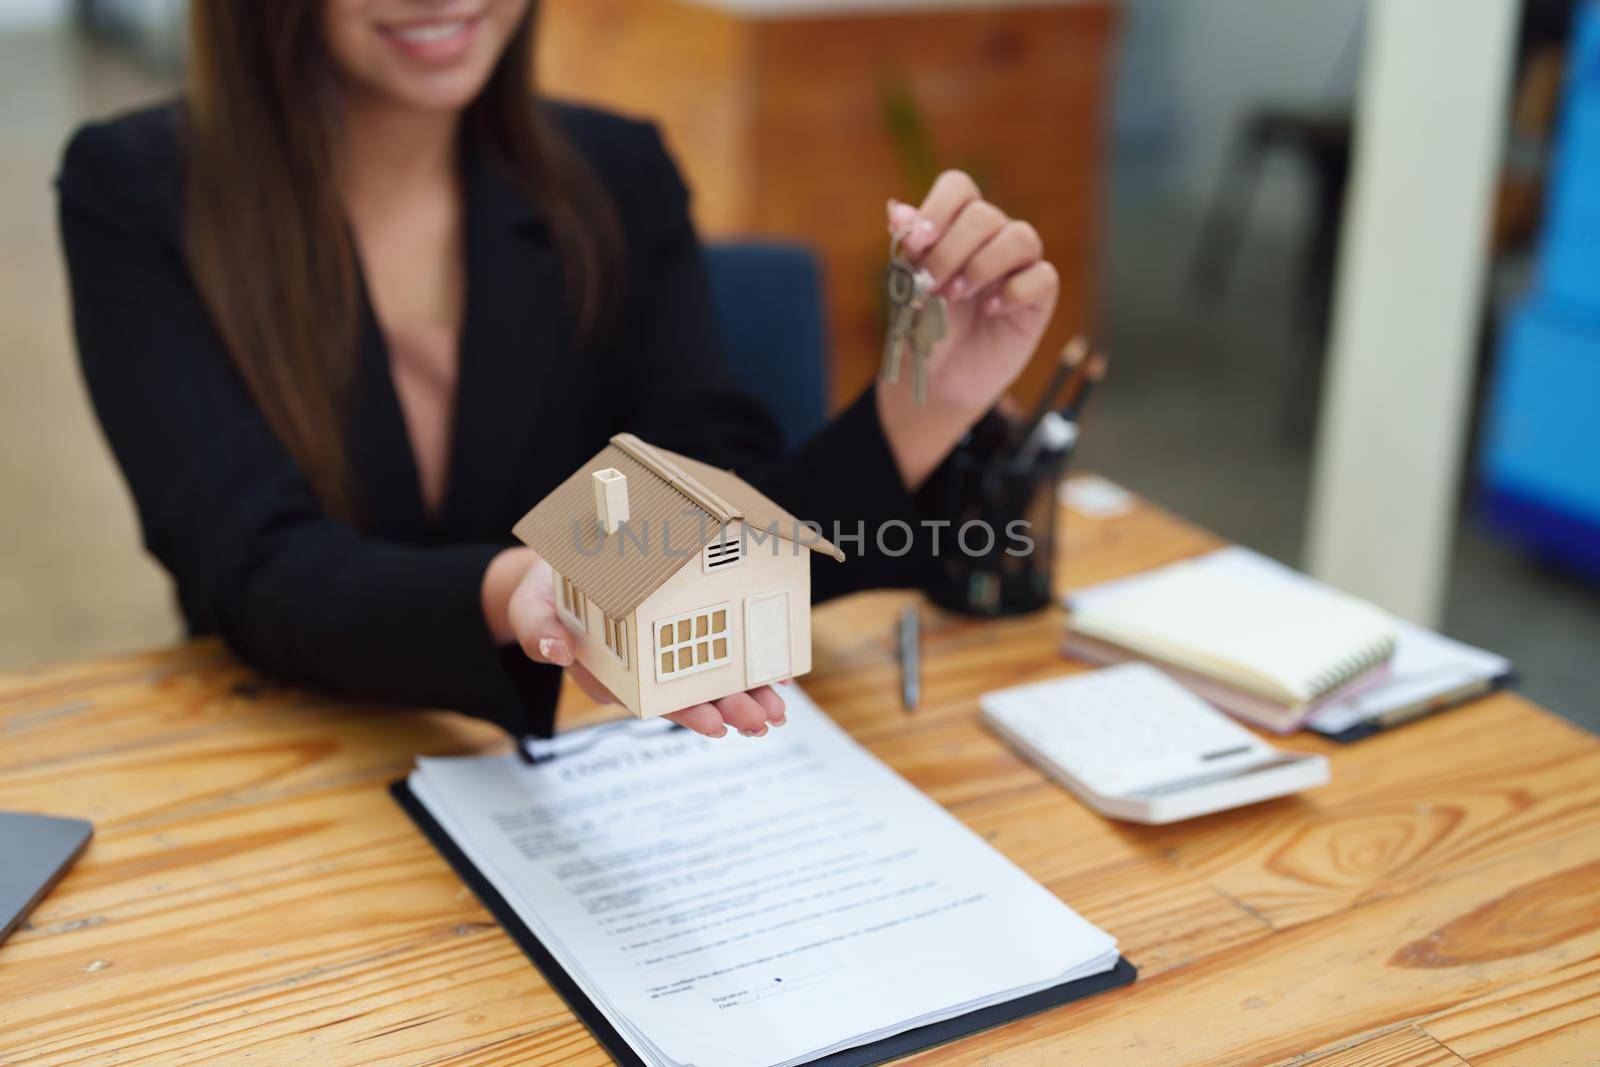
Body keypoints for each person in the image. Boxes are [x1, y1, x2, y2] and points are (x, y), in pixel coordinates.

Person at [56, 0, 1059, 742]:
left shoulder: (613, 172)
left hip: (594, 769)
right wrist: (518, 591)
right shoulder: (140, 191)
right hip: (293, 755)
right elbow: (252, 563)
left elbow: (731, 525)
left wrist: (937, 394)